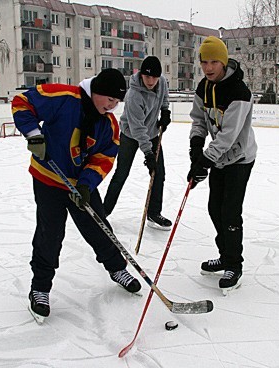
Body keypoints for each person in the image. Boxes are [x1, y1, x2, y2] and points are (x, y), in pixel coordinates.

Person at [11, 68, 142, 324]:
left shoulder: (109, 124)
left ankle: (117, 269)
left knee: (100, 228)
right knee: (50, 234)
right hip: (48, 179)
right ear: (97, 92)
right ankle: (40, 288)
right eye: (110, 100)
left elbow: (104, 158)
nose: (113, 107)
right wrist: (33, 135)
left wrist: (86, 184)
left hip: (79, 186)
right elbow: (22, 101)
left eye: (117, 103)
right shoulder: (63, 97)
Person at [186, 36, 257, 294]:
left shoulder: (239, 92)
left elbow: (229, 135)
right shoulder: (203, 87)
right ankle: (225, 256)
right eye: (204, 62)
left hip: (239, 158)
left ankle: (234, 264)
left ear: (224, 62)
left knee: (229, 211)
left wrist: (205, 160)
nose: (208, 67)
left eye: (214, 61)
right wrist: (196, 148)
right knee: (215, 209)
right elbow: (198, 120)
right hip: (218, 159)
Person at [103, 56, 172, 230]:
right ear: (141, 74)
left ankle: (153, 213)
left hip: (153, 132)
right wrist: (148, 153)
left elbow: (164, 98)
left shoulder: (161, 82)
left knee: (158, 174)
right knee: (121, 173)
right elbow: (138, 129)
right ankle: (103, 212)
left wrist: (165, 111)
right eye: (147, 77)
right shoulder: (134, 95)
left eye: (154, 77)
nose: (151, 81)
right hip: (131, 135)